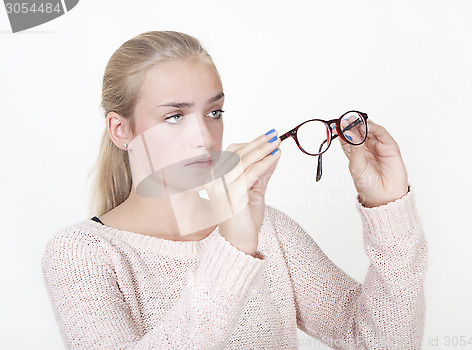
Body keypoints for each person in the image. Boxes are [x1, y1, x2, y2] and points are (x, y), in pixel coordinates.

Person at [41, 31, 427, 349]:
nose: (204, 138)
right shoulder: (82, 253)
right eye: (174, 116)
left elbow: (382, 342)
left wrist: (389, 210)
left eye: (214, 112)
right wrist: (234, 249)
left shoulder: (269, 232)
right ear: (121, 130)